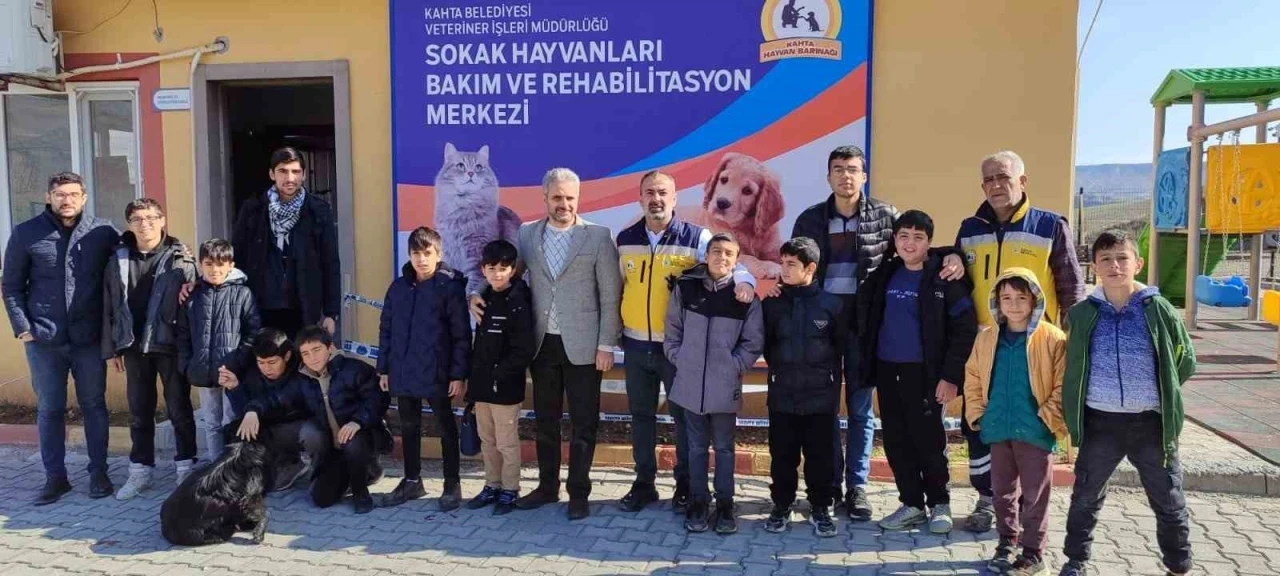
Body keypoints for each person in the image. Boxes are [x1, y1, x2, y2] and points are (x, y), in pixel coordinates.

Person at [471, 167, 622, 521]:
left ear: (578, 199)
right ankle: (547, 487)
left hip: (585, 346)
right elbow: (508, 273)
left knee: (584, 422)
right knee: (546, 421)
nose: (563, 204)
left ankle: (578, 493)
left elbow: (610, 294)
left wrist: (606, 344)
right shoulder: (527, 234)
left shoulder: (598, 237)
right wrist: (476, 293)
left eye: (570, 198)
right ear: (545, 198)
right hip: (541, 345)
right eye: (557, 197)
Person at [948, 150, 1084, 533]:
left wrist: (1074, 346)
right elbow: (957, 277)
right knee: (981, 425)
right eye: (989, 179)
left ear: (1022, 182)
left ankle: (1027, 509)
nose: (996, 185)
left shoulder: (1050, 226)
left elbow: (1071, 287)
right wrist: (950, 257)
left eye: (1003, 177)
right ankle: (988, 501)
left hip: (1034, 351)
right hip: (985, 349)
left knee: (1029, 429)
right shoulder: (969, 228)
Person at [615, 170, 754, 513]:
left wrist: (746, 280)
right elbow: (618, 287)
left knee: (683, 420)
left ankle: (685, 485)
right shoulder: (625, 239)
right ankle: (644, 484)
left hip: (679, 350)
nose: (656, 199)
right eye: (650, 192)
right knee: (641, 416)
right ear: (640, 197)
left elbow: (727, 261)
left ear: (674, 198)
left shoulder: (696, 237)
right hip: (635, 345)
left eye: (663, 192)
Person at [1058, 230, 1195, 576]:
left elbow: (1185, 360)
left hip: (1150, 423)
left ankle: (1178, 565)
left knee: (1168, 498)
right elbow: (1073, 363)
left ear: (1138, 263)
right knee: (1085, 496)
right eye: (1105, 259)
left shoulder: (1158, 310)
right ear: (1094, 267)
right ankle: (1075, 561)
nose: (1114, 266)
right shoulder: (1081, 314)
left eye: (1122, 258)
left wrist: (1161, 390)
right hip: (1100, 422)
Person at [788, 145, 896, 521]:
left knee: (861, 411)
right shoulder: (809, 219)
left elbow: (909, 255)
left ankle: (857, 487)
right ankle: (830, 484)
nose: (845, 175)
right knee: (825, 409)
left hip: (865, 326)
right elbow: (796, 271)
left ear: (863, 176)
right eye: (838, 169)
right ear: (828, 176)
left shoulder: (886, 216)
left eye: (852, 169)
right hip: (822, 325)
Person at [2, 172, 119, 505]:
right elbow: (11, 286)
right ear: (48, 197)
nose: (67, 200)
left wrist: (181, 256)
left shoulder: (102, 232)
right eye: (60, 194)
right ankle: (55, 478)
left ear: (84, 197)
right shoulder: (26, 233)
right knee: (50, 409)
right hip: (44, 340)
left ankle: (99, 473)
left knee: (94, 406)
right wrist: (24, 328)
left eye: (73, 194)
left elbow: (135, 255)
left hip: (89, 339)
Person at [857, 210, 977, 534]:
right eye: (904, 236)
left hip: (926, 375)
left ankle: (940, 504)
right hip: (887, 370)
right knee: (896, 441)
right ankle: (911, 504)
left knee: (928, 442)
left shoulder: (944, 278)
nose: (910, 244)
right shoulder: (887, 273)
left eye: (918, 237)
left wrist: (950, 377)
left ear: (929, 243)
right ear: (895, 240)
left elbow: (965, 329)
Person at [964, 269, 1067, 575]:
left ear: (1034, 300)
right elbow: (972, 376)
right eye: (1006, 298)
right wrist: (980, 415)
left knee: (1035, 495)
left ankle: (1033, 553)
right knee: (1002, 491)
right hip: (999, 428)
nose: (1014, 305)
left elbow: (1064, 384)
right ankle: (1006, 542)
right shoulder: (986, 338)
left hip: (1035, 431)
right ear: (996, 301)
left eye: (1022, 298)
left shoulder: (1052, 338)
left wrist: (1047, 418)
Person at [664, 232, 764, 534]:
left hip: (724, 386)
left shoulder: (745, 297)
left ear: (736, 261)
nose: (722, 257)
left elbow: (753, 342)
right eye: (716, 251)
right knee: (695, 447)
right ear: (706, 256)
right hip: (690, 383)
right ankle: (698, 502)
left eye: (729, 254)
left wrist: (733, 366)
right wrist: (680, 357)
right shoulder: (686, 288)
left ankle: (724, 505)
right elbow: (672, 329)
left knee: (723, 448)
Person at [102, 198, 199, 499]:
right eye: (137, 219)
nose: (144, 224)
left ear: (162, 220)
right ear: (129, 224)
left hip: (170, 345)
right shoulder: (117, 259)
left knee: (179, 408)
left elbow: (195, 305)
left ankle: (186, 468)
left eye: (150, 218)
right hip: (132, 346)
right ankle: (140, 471)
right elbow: (108, 305)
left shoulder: (181, 258)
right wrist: (111, 349)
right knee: (139, 412)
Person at [237, 326, 391, 514]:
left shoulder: (354, 369)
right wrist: (253, 410)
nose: (312, 358)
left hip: (364, 436)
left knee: (352, 440)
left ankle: (362, 491)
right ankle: (356, 473)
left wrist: (357, 421)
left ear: (330, 347)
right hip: (335, 448)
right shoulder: (303, 379)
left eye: (316, 350)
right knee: (321, 498)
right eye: (306, 353)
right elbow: (277, 398)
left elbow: (377, 398)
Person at [761, 237, 852, 538]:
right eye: (782, 263)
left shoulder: (832, 305)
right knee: (782, 456)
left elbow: (842, 348)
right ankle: (781, 505)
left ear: (810, 268)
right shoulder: (771, 304)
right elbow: (767, 346)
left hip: (820, 398)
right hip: (782, 395)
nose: (784, 269)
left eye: (791, 264)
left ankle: (821, 507)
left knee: (820, 457)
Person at [377, 226, 471, 510]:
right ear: (409, 255)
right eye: (416, 253)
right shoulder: (398, 288)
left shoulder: (449, 288)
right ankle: (411, 480)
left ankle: (452, 483)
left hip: (437, 372)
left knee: (445, 428)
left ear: (438, 255)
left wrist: (458, 374)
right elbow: (386, 330)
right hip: (403, 370)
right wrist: (384, 368)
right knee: (408, 427)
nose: (421, 259)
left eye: (427, 253)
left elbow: (461, 335)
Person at [231, 146, 341, 338]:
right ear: (271, 174)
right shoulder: (253, 209)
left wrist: (331, 313)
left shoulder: (318, 210)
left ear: (304, 175)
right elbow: (236, 258)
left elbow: (330, 263)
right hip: (260, 307)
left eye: (295, 171)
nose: (290, 178)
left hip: (303, 308)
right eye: (283, 171)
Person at [465, 240, 536, 515]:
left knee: (506, 442)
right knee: (488, 440)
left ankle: (510, 488)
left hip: (505, 387)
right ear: (483, 270)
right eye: (492, 268)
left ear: (513, 270)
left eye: (503, 268)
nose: (497, 274)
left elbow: (524, 350)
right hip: (482, 385)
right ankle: (492, 485)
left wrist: (500, 374)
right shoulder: (484, 296)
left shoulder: (518, 300)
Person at [177, 238, 261, 463]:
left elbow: (253, 332)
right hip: (203, 370)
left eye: (220, 264)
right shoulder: (192, 296)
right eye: (209, 264)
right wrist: (187, 365)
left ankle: (232, 467)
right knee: (212, 423)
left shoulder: (242, 294)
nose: (215, 269)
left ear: (230, 265)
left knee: (231, 420)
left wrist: (238, 363)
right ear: (201, 265)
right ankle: (215, 467)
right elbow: (183, 335)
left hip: (232, 372)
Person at [219, 328, 318, 492]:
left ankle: (298, 462)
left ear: (287, 356)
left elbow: (282, 397)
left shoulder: (302, 369)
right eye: (261, 363)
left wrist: (253, 409)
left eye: (272, 362)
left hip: (296, 424)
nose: (266, 368)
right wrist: (235, 388)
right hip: (268, 424)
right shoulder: (252, 371)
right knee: (235, 430)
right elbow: (244, 413)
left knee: (311, 433)